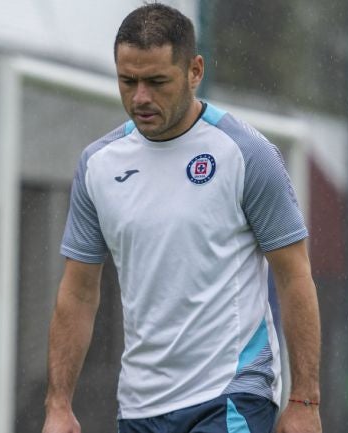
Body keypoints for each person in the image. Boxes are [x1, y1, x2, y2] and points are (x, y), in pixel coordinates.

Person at [42, 4, 322, 433]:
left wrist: (304, 399)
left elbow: (294, 275)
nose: (140, 97)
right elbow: (78, 292)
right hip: (139, 407)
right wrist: (58, 404)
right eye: (127, 81)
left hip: (231, 395)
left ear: (194, 71)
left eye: (156, 82)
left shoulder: (246, 154)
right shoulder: (97, 165)